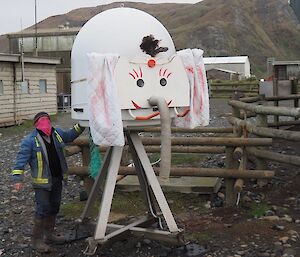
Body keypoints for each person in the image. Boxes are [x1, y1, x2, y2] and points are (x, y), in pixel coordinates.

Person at [11, 112, 84, 253]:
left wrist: (82, 124)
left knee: (54, 207)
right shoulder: (30, 141)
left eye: (47, 120)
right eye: (41, 121)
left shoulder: (57, 134)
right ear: (36, 124)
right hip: (42, 184)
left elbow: (70, 135)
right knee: (42, 209)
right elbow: (21, 160)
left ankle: (49, 235)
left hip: (57, 179)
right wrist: (17, 178)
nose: (45, 123)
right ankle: (36, 240)